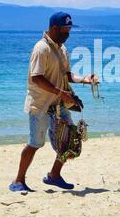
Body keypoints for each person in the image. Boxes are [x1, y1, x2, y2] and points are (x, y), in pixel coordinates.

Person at [10, 12, 98, 192]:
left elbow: (67, 76)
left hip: (59, 103)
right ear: (54, 28)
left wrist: (85, 79)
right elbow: (37, 78)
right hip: (40, 104)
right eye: (66, 30)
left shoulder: (62, 49)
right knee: (35, 143)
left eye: (69, 30)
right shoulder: (40, 48)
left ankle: (54, 175)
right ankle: (18, 180)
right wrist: (61, 93)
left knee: (70, 139)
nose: (68, 34)